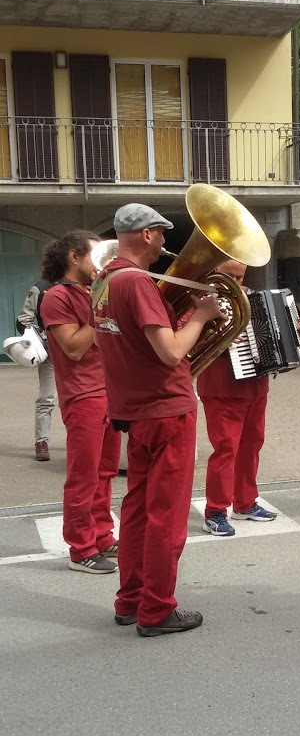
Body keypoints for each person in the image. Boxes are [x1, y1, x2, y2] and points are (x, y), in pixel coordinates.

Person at [92, 203, 223, 637]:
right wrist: (202, 316)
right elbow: (169, 353)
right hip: (166, 409)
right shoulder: (137, 282)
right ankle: (157, 611)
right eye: (163, 235)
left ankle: (129, 601)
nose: (168, 244)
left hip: (133, 411)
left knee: (136, 509)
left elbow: (136, 344)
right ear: (147, 235)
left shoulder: (103, 282)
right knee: (166, 514)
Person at [197, 259, 300, 536]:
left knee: (252, 445)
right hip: (221, 387)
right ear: (213, 272)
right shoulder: (201, 300)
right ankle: (215, 511)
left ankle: (245, 502)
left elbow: (280, 328)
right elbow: (188, 341)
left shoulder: (254, 298)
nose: (236, 283)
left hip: (256, 386)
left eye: (240, 275)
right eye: (229, 276)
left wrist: (299, 326)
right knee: (226, 449)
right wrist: (218, 337)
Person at [39, 232, 120, 574]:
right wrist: (102, 310)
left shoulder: (92, 293)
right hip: (83, 395)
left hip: (111, 393)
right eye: (96, 255)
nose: (102, 262)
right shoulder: (56, 297)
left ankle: (102, 535)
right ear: (74, 257)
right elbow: (73, 347)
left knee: (105, 473)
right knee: (83, 476)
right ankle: (80, 548)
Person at [17, 277, 56, 461]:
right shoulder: (41, 288)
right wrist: (39, 339)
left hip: (78, 349)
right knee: (46, 397)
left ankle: (81, 441)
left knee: (79, 397)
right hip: (50, 351)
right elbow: (23, 319)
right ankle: (42, 442)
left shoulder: (85, 285)